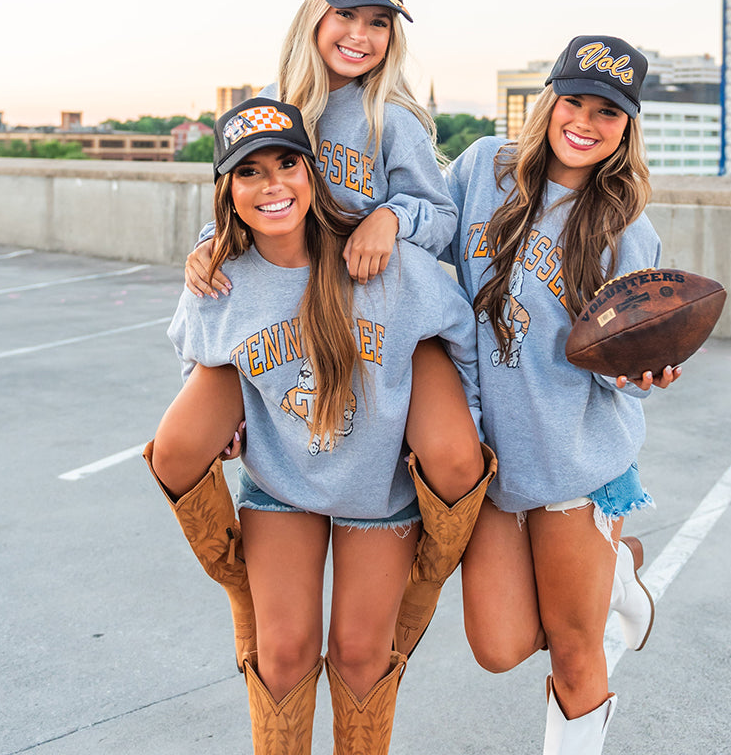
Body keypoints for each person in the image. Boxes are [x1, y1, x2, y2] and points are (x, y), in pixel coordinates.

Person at [181, 0, 494, 662]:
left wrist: (391, 217)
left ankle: (415, 595)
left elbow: (440, 218)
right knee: (191, 441)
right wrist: (208, 243)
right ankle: (245, 587)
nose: (360, 35)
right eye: (346, 15)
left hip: (385, 309)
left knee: (451, 456)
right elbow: (248, 194)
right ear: (313, 15)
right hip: (292, 313)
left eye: (379, 22)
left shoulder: (396, 119)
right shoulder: (274, 104)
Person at [145, 99, 484, 755]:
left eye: (287, 164)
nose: (272, 184)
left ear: (313, 173)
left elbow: (460, 334)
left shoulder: (382, 264)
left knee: (359, 655)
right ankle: (241, 587)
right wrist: (229, 427)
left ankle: (419, 589)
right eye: (249, 173)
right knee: (283, 651)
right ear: (228, 191)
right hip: (285, 483)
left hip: (377, 489)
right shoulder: (219, 278)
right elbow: (194, 354)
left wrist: (456, 415)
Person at [444, 35, 681, 755]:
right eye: (573, 101)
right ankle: (620, 570)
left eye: (606, 112)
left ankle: (604, 565)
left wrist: (642, 371)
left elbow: (623, 360)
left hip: (572, 465)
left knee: (577, 654)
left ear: (626, 127)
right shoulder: (483, 169)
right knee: (499, 644)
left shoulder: (623, 229)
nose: (584, 121)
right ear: (548, 102)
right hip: (489, 465)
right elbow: (420, 238)